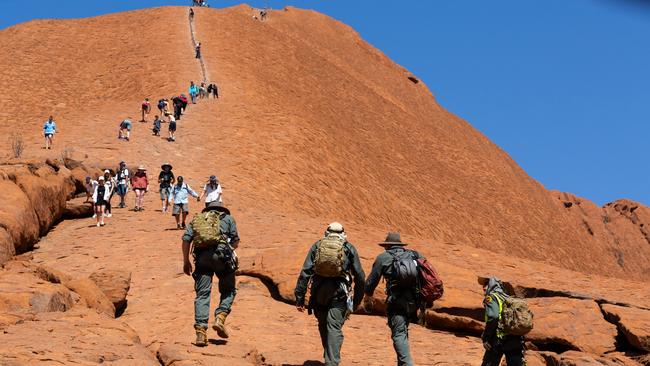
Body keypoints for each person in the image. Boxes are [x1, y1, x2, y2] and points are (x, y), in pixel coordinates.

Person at [294, 222, 365, 366]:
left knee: (323, 324)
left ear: (326, 232)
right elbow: (360, 276)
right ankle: (332, 361)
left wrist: (299, 298)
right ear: (343, 233)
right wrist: (357, 300)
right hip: (339, 293)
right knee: (334, 327)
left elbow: (305, 272)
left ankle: (330, 358)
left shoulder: (318, 245)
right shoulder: (348, 247)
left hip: (319, 292)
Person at [182, 201, 240, 346]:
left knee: (203, 294)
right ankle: (220, 317)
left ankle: (201, 333)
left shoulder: (199, 219)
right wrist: (229, 249)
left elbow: (186, 239)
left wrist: (186, 261)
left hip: (202, 259)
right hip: (221, 258)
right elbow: (235, 240)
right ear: (222, 208)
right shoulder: (228, 218)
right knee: (228, 290)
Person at [364, 232, 424, 366]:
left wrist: (368, 295)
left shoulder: (383, 257)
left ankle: (407, 364)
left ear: (388, 245)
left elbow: (371, 282)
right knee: (402, 331)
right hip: (415, 301)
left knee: (398, 334)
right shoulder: (415, 255)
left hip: (397, 302)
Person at [481, 277, 526, 366]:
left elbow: (493, 317)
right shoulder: (507, 297)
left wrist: (486, 337)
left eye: (486, 284)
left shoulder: (491, 297)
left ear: (492, 285)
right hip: (514, 338)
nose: (483, 287)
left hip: (498, 339)